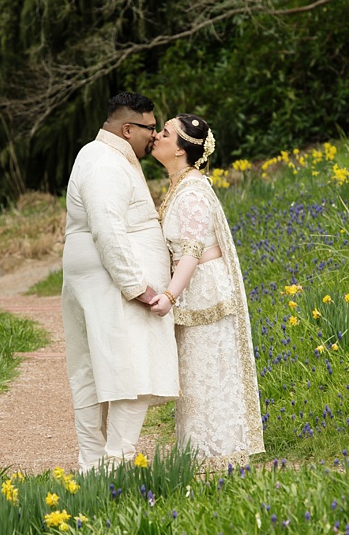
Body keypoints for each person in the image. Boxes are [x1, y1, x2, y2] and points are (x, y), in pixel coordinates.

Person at [61, 92, 180, 472]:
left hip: (99, 278)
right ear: (127, 129)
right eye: (149, 127)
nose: (155, 136)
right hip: (110, 282)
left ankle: (95, 466)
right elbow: (108, 229)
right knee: (128, 369)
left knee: (98, 370)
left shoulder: (106, 157)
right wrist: (138, 287)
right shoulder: (105, 163)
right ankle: (111, 463)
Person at [148, 114, 265, 470]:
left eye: (165, 133)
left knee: (207, 373)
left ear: (181, 150)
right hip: (192, 288)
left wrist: (169, 295)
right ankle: (198, 456)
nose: (156, 136)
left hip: (202, 291)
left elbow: (193, 249)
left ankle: (217, 458)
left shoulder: (194, 191)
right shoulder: (181, 185)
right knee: (195, 375)